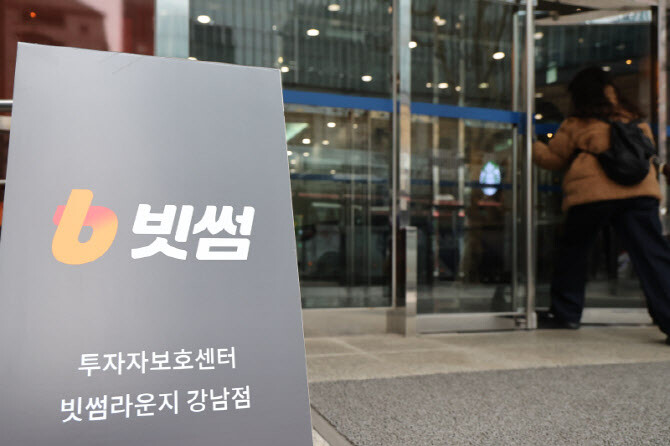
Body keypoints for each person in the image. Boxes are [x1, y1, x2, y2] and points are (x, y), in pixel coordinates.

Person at [532, 66, 670, 344]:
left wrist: (530, 143)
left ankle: (566, 314)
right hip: (640, 194)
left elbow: (553, 159)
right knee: (653, 257)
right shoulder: (637, 121)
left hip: (592, 196)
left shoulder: (577, 123)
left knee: (574, 253)